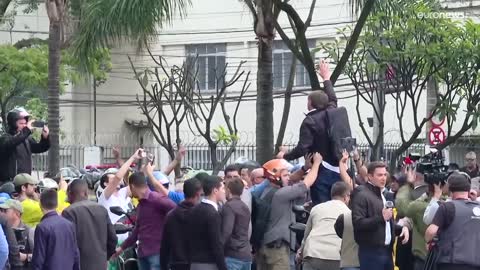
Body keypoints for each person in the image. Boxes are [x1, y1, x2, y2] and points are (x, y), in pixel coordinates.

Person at [276, 59, 339, 205]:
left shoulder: (310, 121)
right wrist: (326, 78)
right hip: (338, 169)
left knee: (321, 205)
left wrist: (285, 155)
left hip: (320, 169)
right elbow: (333, 97)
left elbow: (303, 147)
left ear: (310, 103)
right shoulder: (332, 111)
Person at [255, 154, 322, 270]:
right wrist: (316, 163)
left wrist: (304, 168)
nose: (289, 178)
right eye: (285, 175)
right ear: (276, 177)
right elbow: (306, 183)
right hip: (277, 250)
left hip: (264, 246)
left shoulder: (266, 192)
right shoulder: (281, 194)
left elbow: (292, 179)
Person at [113, 168, 176, 270]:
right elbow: (137, 230)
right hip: (143, 254)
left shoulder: (157, 199)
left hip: (157, 253)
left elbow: (176, 210)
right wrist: (121, 248)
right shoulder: (141, 205)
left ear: (132, 186)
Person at [351, 162, 410, 270]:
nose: (383, 178)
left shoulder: (382, 194)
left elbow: (387, 225)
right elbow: (358, 223)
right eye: (379, 175)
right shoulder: (361, 194)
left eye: (384, 175)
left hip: (387, 252)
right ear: (369, 176)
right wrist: (381, 218)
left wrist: (402, 229)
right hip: (371, 252)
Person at [425, 173, 480, 270]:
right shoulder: (478, 206)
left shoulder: (448, 207)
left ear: (450, 189)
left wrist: (428, 241)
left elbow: (431, 231)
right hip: (475, 263)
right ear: (468, 189)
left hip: (451, 262)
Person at [62, 179, 117, 270]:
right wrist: (105, 257)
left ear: (69, 194)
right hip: (100, 264)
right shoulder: (101, 209)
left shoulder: (69, 212)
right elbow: (113, 238)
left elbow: (67, 243)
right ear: (86, 193)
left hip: (79, 265)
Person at [297, 181, 351, 270]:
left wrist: (301, 254)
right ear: (346, 197)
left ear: (332, 195)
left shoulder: (317, 209)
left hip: (313, 254)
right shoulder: (349, 213)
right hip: (336, 256)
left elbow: (306, 236)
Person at [161, 178, 203, 270]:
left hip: (176, 263)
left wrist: (163, 266)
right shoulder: (201, 215)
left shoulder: (171, 215)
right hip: (197, 263)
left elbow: (165, 245)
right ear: (198, 194)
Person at [31, 189, 80, 270]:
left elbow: (38, 259)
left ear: (40, 204)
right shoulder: (69, 224)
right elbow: (75, 253)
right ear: (56, 204)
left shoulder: (42, 227)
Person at [187, 175, 227, 270]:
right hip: (209, 264)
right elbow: (216, 244)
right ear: (215, 190)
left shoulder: (194, 209)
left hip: (194, 263)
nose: (224, 191)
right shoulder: (212, 213)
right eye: (222, 188)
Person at [0, 107, 50, 184]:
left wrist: (45, 137)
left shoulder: (27, 139)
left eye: (25, 123)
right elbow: (12, 142)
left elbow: (40, 148)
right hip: (9, 182)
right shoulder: (5, 138)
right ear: (13, 123)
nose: (24, 126)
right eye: (21, 123)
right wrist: (27, 130)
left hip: (25, 181)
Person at [222, 177, 252, 270]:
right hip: (246, 254)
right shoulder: (244, 207)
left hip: (233, 255)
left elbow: (227, 231)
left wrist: (218, 248)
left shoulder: (229, 206)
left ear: (228, 190)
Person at [0, 198, 34, 266]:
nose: (1, 213)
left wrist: (25, 257)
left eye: (5, 210)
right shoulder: (2, 231)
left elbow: (38, 256)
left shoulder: (29, 232)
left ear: (17, 213)